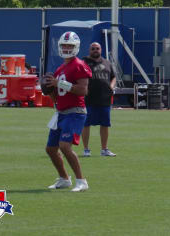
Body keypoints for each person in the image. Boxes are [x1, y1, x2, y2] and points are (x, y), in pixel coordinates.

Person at [44, 31, 92, 192]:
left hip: (75, 112)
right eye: (64, 45)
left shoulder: (79, 65)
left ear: (76, 47)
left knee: (65, 146)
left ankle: (82, 180)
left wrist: (59, 83)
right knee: (51, 149)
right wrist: (49, 89)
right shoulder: (60, 69)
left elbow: (83, 90)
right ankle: (64, 179)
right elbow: (56, 97)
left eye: (69, 45)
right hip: (61, 112)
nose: (66, 48)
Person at [81, 42, 117, 157]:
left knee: (105, 124)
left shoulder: (107, 63)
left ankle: (104, 149)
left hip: (104, 99)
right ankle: (86, 149)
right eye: (93, 49)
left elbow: (114, 77)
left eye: (97, 48)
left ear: (101, 50)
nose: (95, 50)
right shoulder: (84, 62)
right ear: (89, 50)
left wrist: (111, 87)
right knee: (86, 124)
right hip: (88, 99)